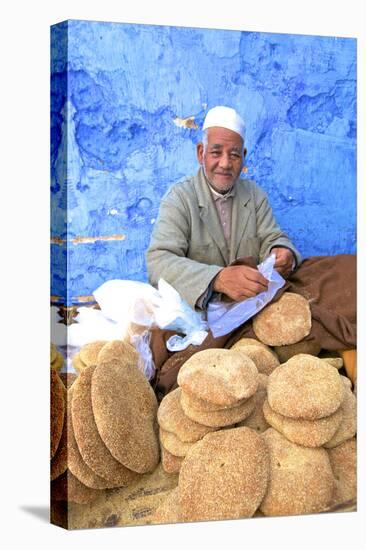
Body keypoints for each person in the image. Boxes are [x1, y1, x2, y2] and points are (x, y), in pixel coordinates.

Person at [146, 106, 301, 311]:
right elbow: (159, 262)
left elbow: (272, 238)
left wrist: (281, 252)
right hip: (200, 315)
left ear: (243, 156)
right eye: (216, 152)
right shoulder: (180, 198)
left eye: (235, 155)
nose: (225, 163)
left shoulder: (254, 196)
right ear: (201, 153)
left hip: (248, 309)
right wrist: (217, 279)